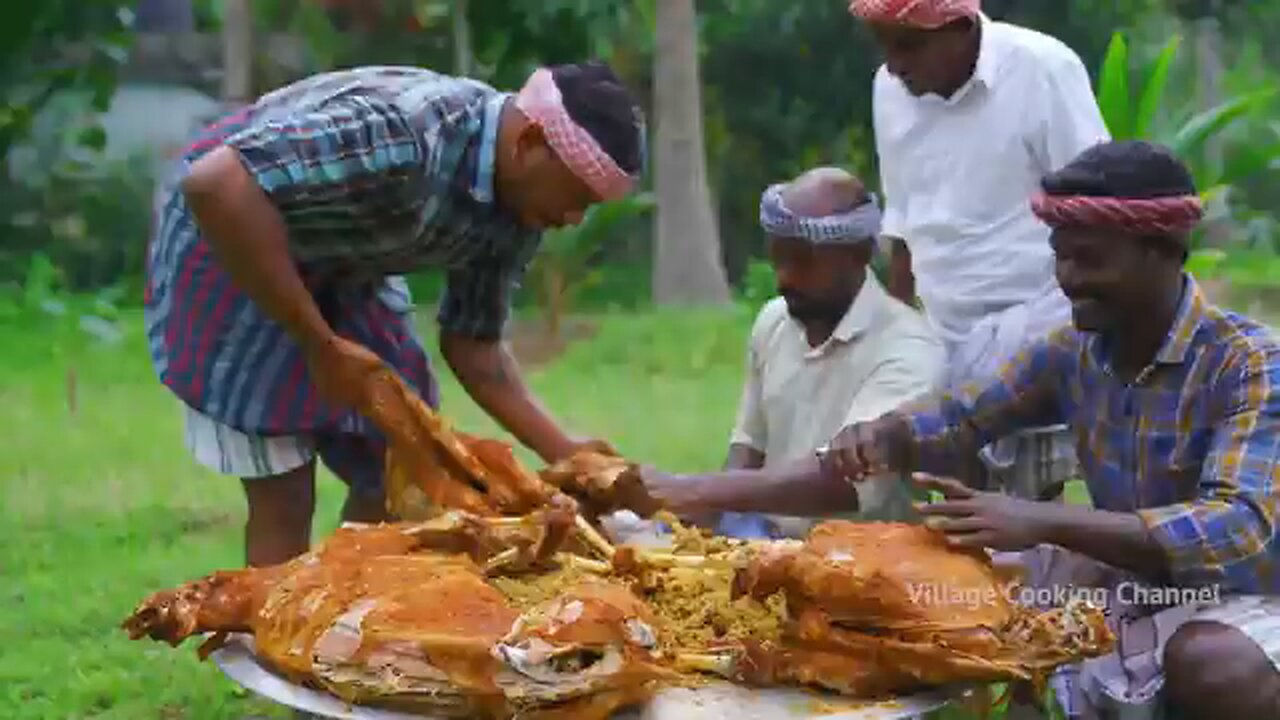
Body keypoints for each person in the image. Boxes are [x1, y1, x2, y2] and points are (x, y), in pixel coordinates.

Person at [822, 140, 1280, 719]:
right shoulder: (1076, 351)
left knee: (1209, 663)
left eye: (1089, 260)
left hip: (1253, 598)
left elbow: (1237, 525)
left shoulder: (1249, 364)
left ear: (1164, 250)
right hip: (1136, 588)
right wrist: (886, 432)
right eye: (1060, 258)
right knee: (950, 602)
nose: (1066, 279)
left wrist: (1041, 520)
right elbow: (965, 414)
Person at [144, 62, 645, 567]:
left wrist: (567, 453)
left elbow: (474, 346)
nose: (574, 219)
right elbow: (218, 183)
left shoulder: (518, 210)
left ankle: (337, 615)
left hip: (345, 268)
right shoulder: (409, 133)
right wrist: (320, 345)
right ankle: (257, 636)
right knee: (286, 494)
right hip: (234, 242)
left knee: (409, 464)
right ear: (529, 142)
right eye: (577, 197)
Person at [849, 0, 1112, 500]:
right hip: (941, 317)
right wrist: (897, 330)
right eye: (882, 45)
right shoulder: (889, 87)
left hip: (1039, 311)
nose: (893, 63)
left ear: (960, 26)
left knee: (1010, 510)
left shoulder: (1042, 69)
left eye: (908, 45)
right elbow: (902, 219)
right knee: (880, 438)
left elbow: (1095, 207)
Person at [645, 167, 945, 537]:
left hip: (862, 570)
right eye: (778, 257)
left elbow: (844, 484)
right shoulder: (774, 320)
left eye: (803, 262)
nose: (784, 277)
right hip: (766, 549)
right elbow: (748, 450)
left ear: (859, 254)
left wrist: (689, 489)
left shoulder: (908, 351)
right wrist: (686, 517)